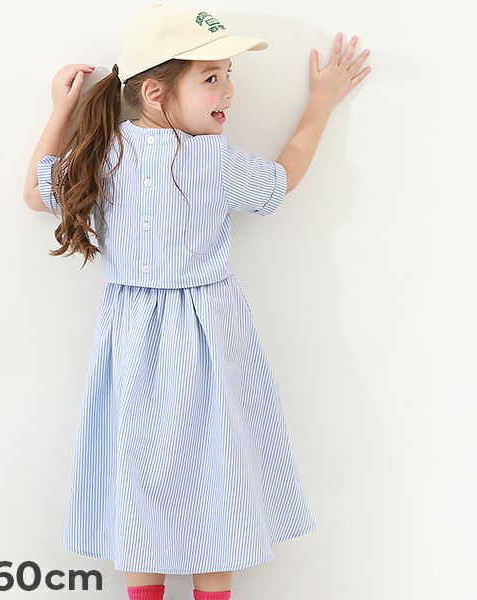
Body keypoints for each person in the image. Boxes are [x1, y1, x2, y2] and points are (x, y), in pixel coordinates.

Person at [23, 4, 371, 600]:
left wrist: (62, 112)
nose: (229, 90)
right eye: (212, 77)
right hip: (202, 335)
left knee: (150, 476)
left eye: (228, 74)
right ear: (156, 93)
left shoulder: (113, 155)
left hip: (147, 337)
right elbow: (282, 179)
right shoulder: (190, 159)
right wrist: (321, 105)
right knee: (214, 475)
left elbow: (36, 190)